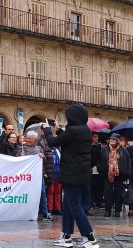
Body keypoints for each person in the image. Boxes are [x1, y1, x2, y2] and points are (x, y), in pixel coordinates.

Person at [43, 103, 99, 248]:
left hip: (73, 173)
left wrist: (47, 130)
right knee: (67, 205)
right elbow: (68, 139)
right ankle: (66, 237)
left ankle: (90, 238)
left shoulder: (73, 130)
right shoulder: (85, 129)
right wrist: (58, 129)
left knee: (74, 205)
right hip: (79, 172)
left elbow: (53, 141)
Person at [16, 131, 52, 222]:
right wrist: (21, 156)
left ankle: (45, 213)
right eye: (26, 138)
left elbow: (44, 161)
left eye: (29, 138)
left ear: (34, 139)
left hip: (38, 175)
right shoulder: (21, 148)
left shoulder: (39, 148)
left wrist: (42, 156)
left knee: (42, 193)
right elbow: (15, 160)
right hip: (26, 176)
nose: (27, 140)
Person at [99, 133, 131, 217]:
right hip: (108, 173)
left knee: (119, 192)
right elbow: (100, 161)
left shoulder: (123, 150)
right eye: (111, 139)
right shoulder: (105, 149)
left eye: (114, 139)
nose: (112, 140)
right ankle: (108, 210)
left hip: (120, 173)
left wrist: (128, 173)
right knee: (108, 192)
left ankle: (117, 210)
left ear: (117, 141)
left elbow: (127, 162)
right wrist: (101, 170)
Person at [91, 133, 104, 210]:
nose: (96, 138)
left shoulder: (100, 147)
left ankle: (98, 202)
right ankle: (91, 202)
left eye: (97, 137)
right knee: (90, 187)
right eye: (94, 137)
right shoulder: (88, 145)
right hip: (91, 170)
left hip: (98, 170)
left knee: (99, 187)